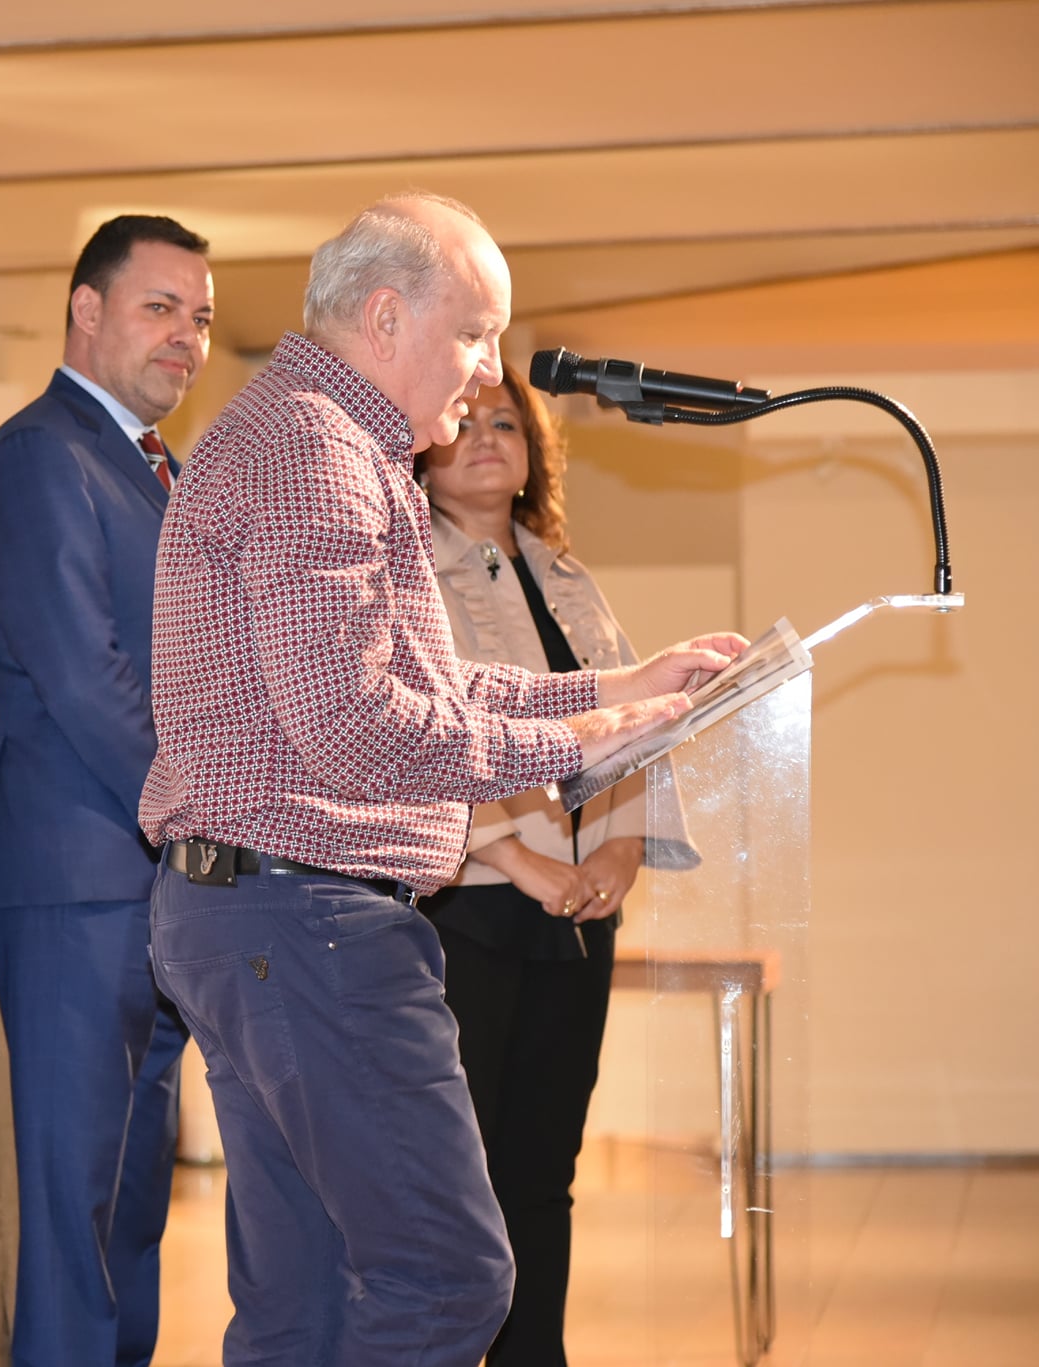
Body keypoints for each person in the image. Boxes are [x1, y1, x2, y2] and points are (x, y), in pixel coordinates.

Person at [138, 192, 744, 1367]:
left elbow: (424, 680)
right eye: (473, 333)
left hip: (254, 912)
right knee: (446, 1279)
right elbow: (356, 729)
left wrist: (611, 687)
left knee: (302, 1309)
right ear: (383, 318)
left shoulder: (320, 437)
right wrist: (580, 744)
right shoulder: (319, 451)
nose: (487, 370)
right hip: (307, 921)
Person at [0, 214, 214, 1367]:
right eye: (160, 308)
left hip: (153, 884)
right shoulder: (38, 455)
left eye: (199, 318)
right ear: (85, 308)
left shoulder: (158, 471)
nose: (185, 338)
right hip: (75, 883)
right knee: (75, 1216)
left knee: (131, 1209)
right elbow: (83, 677)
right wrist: (208, 812)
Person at [419, 366, 699, 1366]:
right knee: (465, 1177)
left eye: (507, 423)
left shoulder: (567, 576)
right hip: (467, 907)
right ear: (422, 445)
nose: (486, 437)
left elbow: (631, 725)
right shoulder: (407, 571)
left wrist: (621, 845)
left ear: (534, 452)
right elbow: (427, 736)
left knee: (544, 1169)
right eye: (466, 421)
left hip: (578, 910)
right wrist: (513, 860)